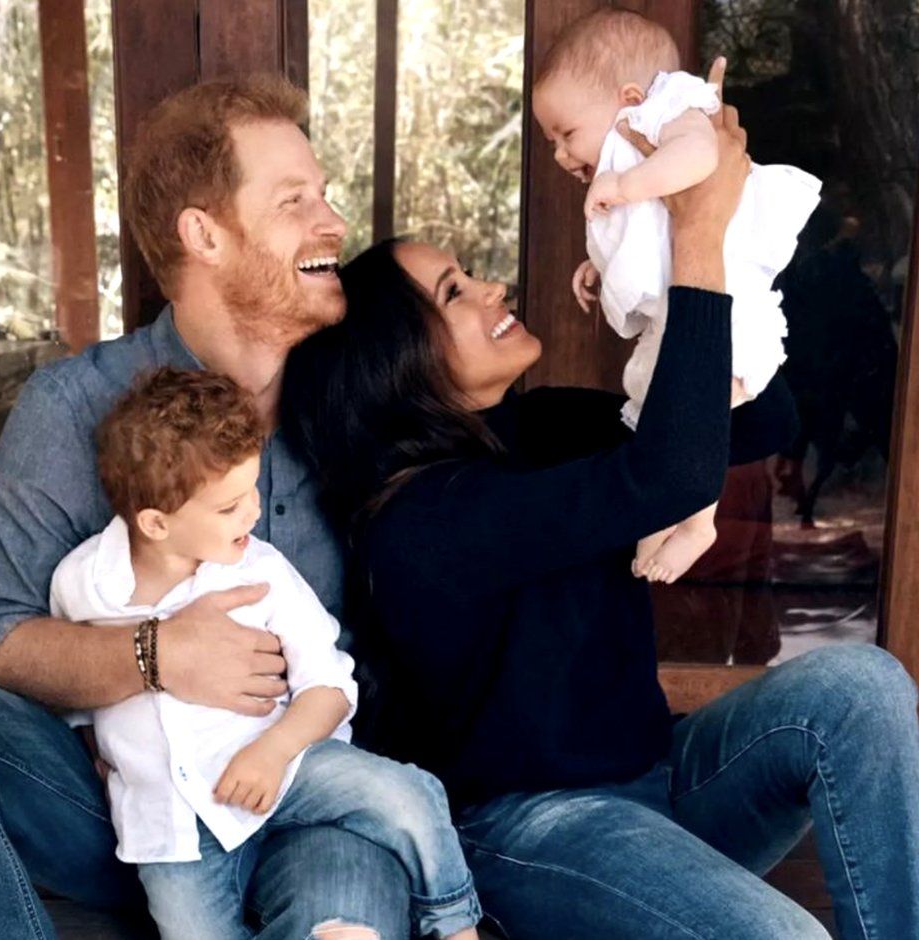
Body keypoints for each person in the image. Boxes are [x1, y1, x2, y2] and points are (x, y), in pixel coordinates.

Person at [282, 93, 919, 938]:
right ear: (395, 362)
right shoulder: (420, 521)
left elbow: (765, 422)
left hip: (661, 780)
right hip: (535, 831)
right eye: (455, 291)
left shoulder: (541, 424)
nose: (491, 287)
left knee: (861, 685)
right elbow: (663, 478)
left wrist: (685, 273)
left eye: (470, 272)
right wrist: (694, 232)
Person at [0, 76, 414, 940]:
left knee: (348, 918)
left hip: (308, 792)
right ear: (204, 234)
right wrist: (156, 655)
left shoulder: (351, 402)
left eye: (324, 194)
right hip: (125, 811)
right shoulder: (73, 408)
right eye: (294, 201)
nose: (334, 223)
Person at [50, 366, 481, 940]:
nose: (252, 513)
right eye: (228, 507)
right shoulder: (83, 584)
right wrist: (101, 755)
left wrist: (273, 753)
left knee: (408, 796)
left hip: (287, 767)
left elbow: (330, 686)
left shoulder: (261, 571)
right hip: (172, 826)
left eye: (252, 489)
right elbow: (76, 691)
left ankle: (454, 924)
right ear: (155, 523)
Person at [531, 9, 821, 584]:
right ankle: (668, 509)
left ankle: (698, 520)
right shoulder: (633, 152)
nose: (562, 155)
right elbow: (653, 235)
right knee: (656, 401)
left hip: (730, 298)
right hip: (685, 303)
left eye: (567, 134)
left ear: (631, 97)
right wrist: (599, 264)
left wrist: (626, 184)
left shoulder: (671, 110)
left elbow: (700, 159)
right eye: (551, 143)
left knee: (700, 403)